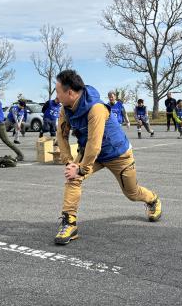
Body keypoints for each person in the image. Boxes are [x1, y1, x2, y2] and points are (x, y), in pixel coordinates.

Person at [53, 70, 162, 245]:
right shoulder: (65, 110)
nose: (56, 97)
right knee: (72, 179)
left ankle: (153, 199)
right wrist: (69, 163)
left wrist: (81, 167)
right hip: (90, 153)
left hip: (117, 153)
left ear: (70, 93)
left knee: (131, 193)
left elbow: (94, 144)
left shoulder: (95, 108)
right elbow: (61, 135)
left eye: (58, 92)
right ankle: (69, 223)